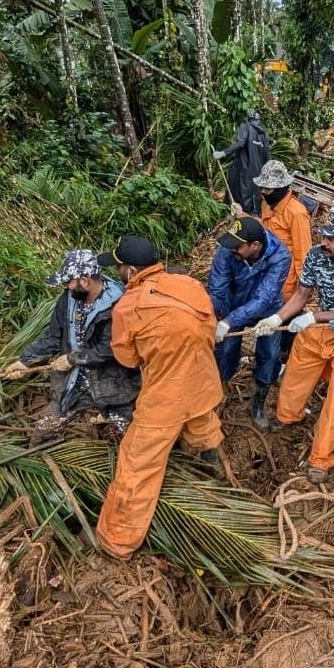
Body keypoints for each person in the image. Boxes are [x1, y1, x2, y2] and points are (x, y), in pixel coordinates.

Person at [94, 236, 225, 559]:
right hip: (205, 380)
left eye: (120, 267)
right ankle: (213, 462)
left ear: (132, 270)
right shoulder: (189, 284)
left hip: (166, 394)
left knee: (137, 463)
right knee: (201, 420)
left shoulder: (128, 305)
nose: (119, 273)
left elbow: (127, 358)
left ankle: (117, 541)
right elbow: (208, 328)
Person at [255, 210, 334, 483]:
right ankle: (288, 415)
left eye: (331, 237)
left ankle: (321, 458)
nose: (324, 241)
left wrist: (314, 316)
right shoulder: (315, 255)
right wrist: (277, 318)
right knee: (296, 375)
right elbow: (302, 294)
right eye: (323, 235)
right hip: (319, 328)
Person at [5, 249, 140, 442]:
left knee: (120, 439)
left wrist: (71, 359)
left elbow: (110, 350)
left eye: (69, 282)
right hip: (72, 386)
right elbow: (53, 336)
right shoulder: (69, 300)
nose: (67, 287)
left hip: (112, 387)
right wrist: (25, 362)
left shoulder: (120, 305)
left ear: (85, 281)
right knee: (41, 436)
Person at [208, 216, 291, 430]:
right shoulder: (227, 251)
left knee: (270, 356)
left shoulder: (280, 256)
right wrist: (212, 316)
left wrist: (228, 322)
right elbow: (217, 289)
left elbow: (264, 298)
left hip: (267, 311)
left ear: (255, 245)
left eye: (237, 246)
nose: (231, 249)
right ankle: (218, 393)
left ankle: (258, 401)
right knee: (225, 351)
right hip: (232, 305)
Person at [255, 160, 312, 301]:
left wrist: (304, 286)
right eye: (262, 188)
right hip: (265, 270)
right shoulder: (266, 204)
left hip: (286, 277)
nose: (263, 192)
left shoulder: (296, 212)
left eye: (267, 189)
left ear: (281, 188)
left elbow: (303, 251)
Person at [213, 111, 271, 215]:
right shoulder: (263, 134)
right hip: (258, 171)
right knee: (254, 193)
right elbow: (267, 155)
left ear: (248, 119)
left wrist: (223, 153)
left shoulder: (246, 127)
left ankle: (238, 216)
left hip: (244, 169)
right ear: (258, 120)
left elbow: (240, 144)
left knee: (240, 191)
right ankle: (252, 214)